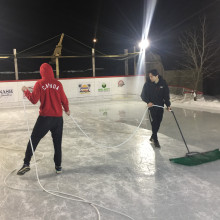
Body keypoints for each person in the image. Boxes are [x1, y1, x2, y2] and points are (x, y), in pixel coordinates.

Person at [17, 63, 70, 175]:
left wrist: (26, 91)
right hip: (58, 119)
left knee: (34, 140)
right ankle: (58, 166)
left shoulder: (39, 83)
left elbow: (34, 100)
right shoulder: (58, 84)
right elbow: (64, 99)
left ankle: (26, 163)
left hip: (45, 118)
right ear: (51, 71)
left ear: (41, 72)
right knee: (57, 143)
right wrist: (67, 109)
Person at [141, 69, 171, 148]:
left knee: (158, 122)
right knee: (154, 122)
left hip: (160, 106)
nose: (150, 78)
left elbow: (166, 96)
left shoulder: (163, 83)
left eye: (151, 76)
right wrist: (148, 102)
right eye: (149, 76)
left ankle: (153, 136)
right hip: (152, 107)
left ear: (157, 76)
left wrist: (168, 105)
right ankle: (156, 139)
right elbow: (143, 95)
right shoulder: (147, 84)